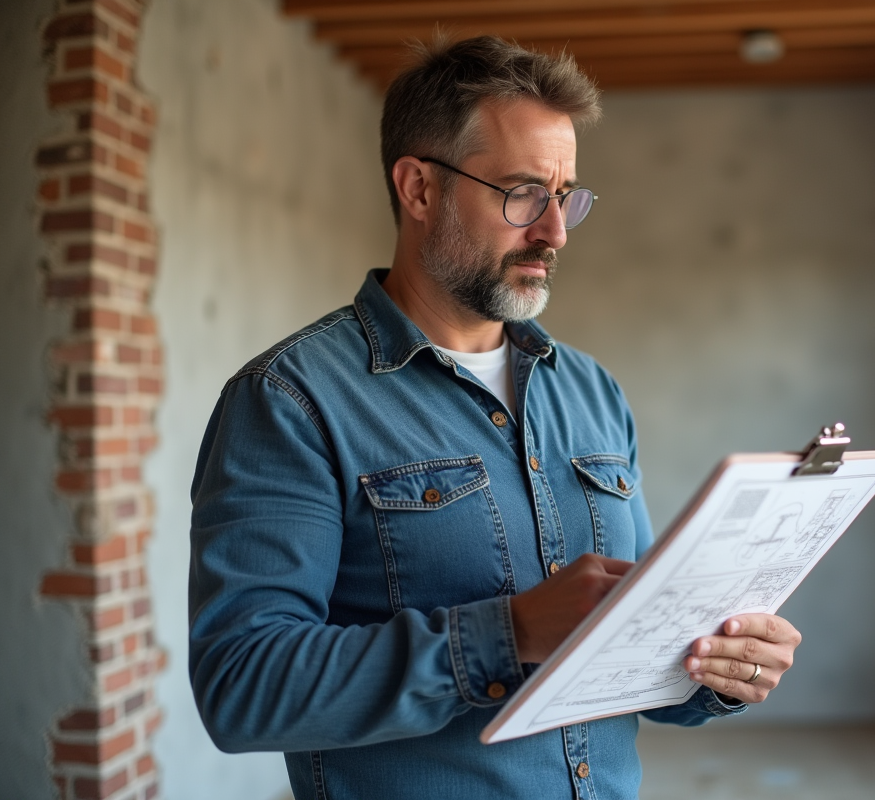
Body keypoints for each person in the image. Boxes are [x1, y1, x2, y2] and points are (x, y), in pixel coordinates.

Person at [189, 36, 803, 800]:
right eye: (521, 194)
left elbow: (632, 648)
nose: (555, 232)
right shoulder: (289, 400)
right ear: (418, 189)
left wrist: (719, 667)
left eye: (566, 195)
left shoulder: (592, 390)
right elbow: (242, 688)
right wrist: (507, 633)